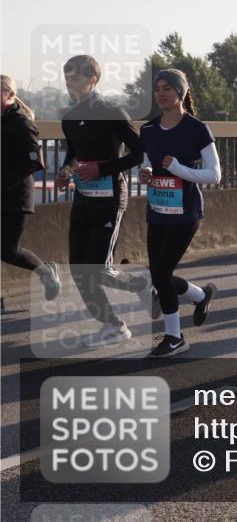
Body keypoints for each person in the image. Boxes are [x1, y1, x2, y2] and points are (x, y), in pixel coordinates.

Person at [55, 55, 143, 348]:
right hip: (83, 198)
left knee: (98, 268)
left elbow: (139, 153)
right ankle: (113, 326)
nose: (69, 83)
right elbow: (74, 154)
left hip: (111, 197)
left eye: (75, 78)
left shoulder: (112, 112)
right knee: (79, 270)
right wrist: (66, 171)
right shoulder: (69, 117)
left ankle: (143, 285)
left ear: (92, 80)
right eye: (66, 77)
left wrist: (101, 169)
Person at [138, 70, 221, 357]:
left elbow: (214, 174)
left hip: (186, 213)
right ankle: (201, 295)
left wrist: (179, 169)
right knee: (158, 275)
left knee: (161, 274)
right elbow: (146, 162)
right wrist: (145, 173)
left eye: (167, 88)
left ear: (181, 92)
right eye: (157, 89)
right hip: (157, 210)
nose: (161, 93)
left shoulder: (197, 129)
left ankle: (175, 337)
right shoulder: (148, 129)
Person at [1, 75, 60, 303]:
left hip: (15, 197)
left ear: (10, 94)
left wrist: (4, 183)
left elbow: (35, 161)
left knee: (9, 251)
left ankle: (46, 272)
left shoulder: (21, 123)